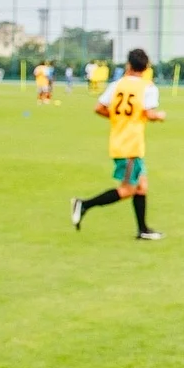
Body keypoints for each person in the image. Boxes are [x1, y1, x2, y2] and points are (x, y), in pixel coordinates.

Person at [70, 49, 166, 240]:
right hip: (130, 145)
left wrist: (117, 118)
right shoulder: (148, 88)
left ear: (128, 65)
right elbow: (149, 114)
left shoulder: (117, 85)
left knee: (142, 186)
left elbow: (99, 108)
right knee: (128, 189)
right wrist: (160, 116)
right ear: (146, 67)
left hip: (119, 140)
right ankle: (83, 204)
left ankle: (143, 230)